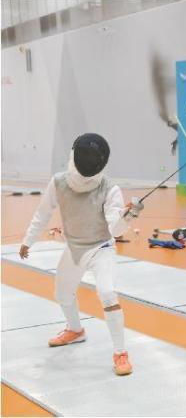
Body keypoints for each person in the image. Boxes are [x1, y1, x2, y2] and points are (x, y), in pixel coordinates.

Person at [19, 133, 143, 375]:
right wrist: (28, 240)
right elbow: (43, 212)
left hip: (101, 248)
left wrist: (127, 216)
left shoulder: (110, 188)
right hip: (74, 248)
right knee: (62, 294)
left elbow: (115, 230)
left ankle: (120, 352)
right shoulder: (58, 182)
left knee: (107, 293)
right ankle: (75, 330)